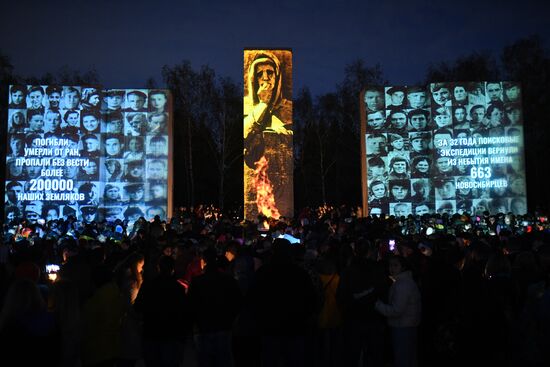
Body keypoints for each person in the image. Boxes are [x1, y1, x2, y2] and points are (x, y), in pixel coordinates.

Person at [375, 256, 421, 367]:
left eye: (395, 265)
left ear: (403, 267)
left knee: (402, 358)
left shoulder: (402, 284)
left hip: (402, 327)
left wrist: (377, 305)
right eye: (390, 265)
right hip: (407, 325)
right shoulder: (403, 281)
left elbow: (396, 310)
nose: (392, 268)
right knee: (408, 357)